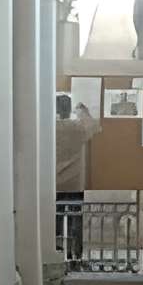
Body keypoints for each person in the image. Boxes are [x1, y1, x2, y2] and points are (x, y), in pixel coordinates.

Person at [54, 94, 100, 261]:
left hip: (55, 183)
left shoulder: (51, 127)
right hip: (75, 182)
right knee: (76, 219)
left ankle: (58, 253)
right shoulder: (77, 127)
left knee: (56, 221)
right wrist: (82, 110)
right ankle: (76, 255)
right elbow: (94, 125)